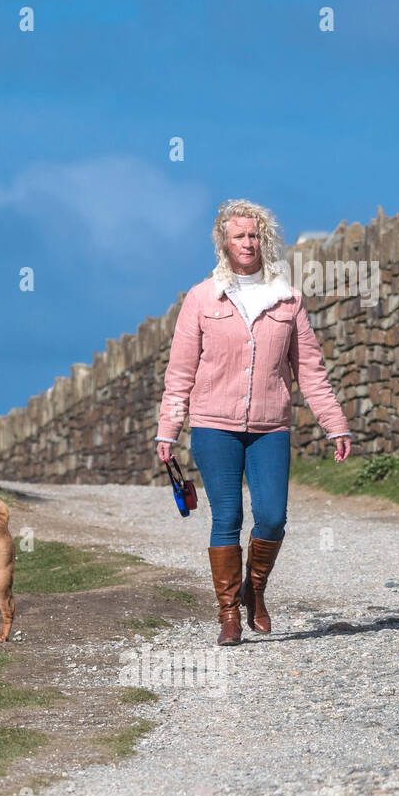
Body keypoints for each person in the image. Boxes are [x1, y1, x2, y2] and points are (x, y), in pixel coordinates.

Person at [155, 199, 352, 645]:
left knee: (272, 518)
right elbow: (180, 371)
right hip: (213, 426)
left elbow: (311, 370)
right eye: (239, 235)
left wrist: (334, 424)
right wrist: (168, 427)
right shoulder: (202, 299)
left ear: (265, 240)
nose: (247, 242)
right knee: (227, 516)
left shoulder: (287, 299)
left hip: (269, 427)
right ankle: (228, 614)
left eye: (254, 235)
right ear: (224, 241)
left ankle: (254, 590)